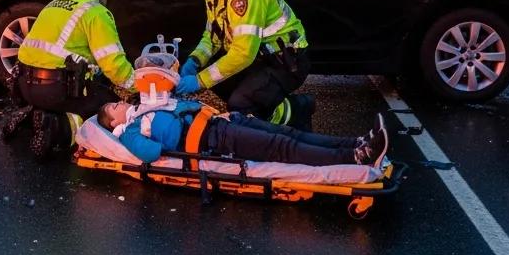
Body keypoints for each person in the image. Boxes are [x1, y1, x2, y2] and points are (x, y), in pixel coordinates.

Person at [9, 0, 135, 160]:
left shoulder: (55, 4)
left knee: (92, 87)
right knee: (107, 108)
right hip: (57, 89)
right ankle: (58, 128)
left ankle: (32, 115)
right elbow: (114, 65)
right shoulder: (95, 12)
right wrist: (137, 87)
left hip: (24, 84)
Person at [174, 0, 312, 128]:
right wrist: (194, 61)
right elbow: (212, 36)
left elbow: (243, 54)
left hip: (286, 61)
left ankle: (298, 109)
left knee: (240, 104)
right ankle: (269, 106)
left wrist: (198, 81)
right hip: (262, 57)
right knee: (214, 77)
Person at [99, 99, 388, 169]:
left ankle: (356, 143)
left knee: (287, 132)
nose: (121, 102)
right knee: (282, 146)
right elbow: (150, 153)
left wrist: (215, 112)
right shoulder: (129, 132)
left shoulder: (145, 110)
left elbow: (184, 105)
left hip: (221, 124)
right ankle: (356, 157)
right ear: (113, 123)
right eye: (114, 106)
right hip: (213, 141)